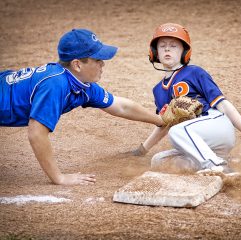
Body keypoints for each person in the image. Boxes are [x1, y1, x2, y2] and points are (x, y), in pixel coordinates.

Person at [0, 28, 165, 185]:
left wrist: (160, 120)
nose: (103, 64)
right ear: (77, 65)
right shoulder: (55, 84)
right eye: (98, 60)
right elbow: (36, 134)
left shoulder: (83, 86)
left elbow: (121, 107)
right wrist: (59, 178)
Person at [132, 23, 241, 173]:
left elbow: (223, 105)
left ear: (184, 52)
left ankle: (218, 167)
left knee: (176, 131)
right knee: (159, 161)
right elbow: (163, 124)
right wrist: (142, 150)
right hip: (197, 140)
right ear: (155, 52)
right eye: (162, 45)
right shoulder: (158, 90)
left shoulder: (195, 72)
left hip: (216, 125)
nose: (167, 49)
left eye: (173, 45)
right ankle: (234, 163)